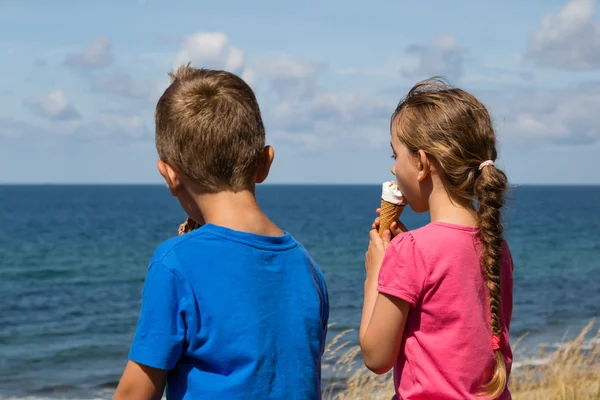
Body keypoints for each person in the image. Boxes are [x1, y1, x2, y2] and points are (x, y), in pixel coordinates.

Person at [114, 64, 329, 400]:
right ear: (265, 162)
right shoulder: (307, 267)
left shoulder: (175, 264)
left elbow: (135, 394)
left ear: (169, 175)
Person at [360, 78, 514, 399]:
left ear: (423, 163)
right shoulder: (497, 246)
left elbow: (376, 357)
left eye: (395, 154)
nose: (392, 170)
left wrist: (377, 270)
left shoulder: (411, 249)